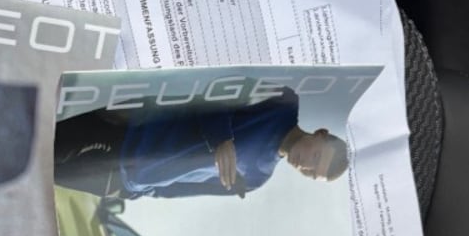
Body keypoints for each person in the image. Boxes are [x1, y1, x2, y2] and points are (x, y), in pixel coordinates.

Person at [53, 86, 349, 199]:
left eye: (312, 173)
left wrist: (140, 192)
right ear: (320, 133)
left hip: (122, 183)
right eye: (316, 157)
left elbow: (187, 188)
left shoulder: (257, 178)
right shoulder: (282, 102)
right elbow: (214, 86)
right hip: (127, 135)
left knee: (42, 176)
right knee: (42, 146)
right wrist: (222, 137)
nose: (305, 166)